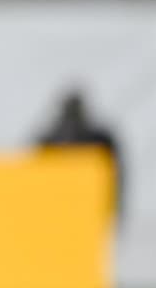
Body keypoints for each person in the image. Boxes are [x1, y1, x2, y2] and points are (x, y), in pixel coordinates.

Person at [35, 88, 123, 221]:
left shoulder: (99, 139)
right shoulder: (49, 140)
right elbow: (35, 176)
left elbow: (114, 174)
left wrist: (113, 204)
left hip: (89, 204)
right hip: (60, 205)